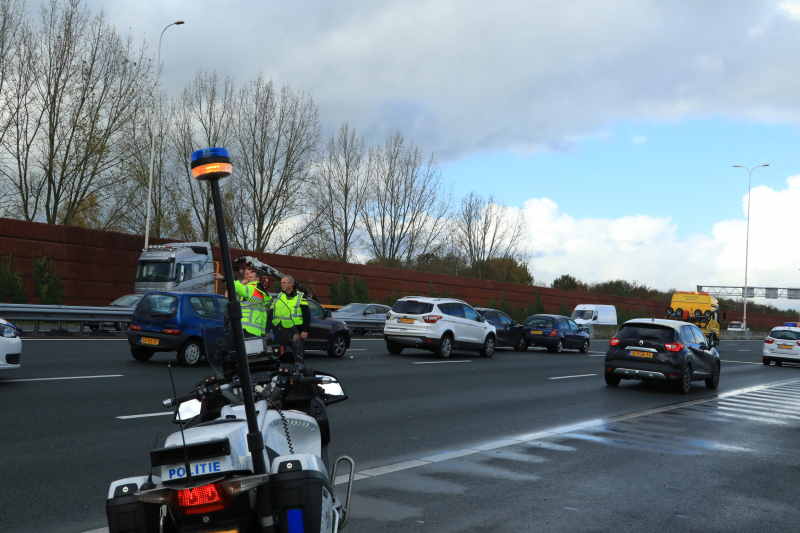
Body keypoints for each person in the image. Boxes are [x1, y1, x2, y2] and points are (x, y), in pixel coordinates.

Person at [213, 267, 270, 338]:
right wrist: (262, 333)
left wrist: (224, 278)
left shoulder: (252, 287)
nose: (248, 278)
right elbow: (263, 315)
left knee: (233, 348)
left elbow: (238, 288)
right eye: (247, 275)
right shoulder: (260, 290)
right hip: (254, 330)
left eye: (251, 277)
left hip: (245, 327)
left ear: (257, 279)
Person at [266, 275, 310, 368]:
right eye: (281, 283)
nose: (282, 285)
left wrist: (305, 330)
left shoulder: (300, 296)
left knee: (297, 353)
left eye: (284, 283)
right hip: (279, 329)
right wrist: (267, 329)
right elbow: (271, 313)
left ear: (290, 284)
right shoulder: (279, 296)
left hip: (295, 330)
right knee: (279, 353)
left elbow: (307, 314)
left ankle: (299, 371)